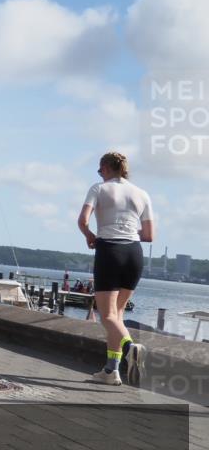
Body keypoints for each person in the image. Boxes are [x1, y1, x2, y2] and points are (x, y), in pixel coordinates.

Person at [77, 151, 154, 386]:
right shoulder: (142, 194)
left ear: (106, 168)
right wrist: (128, 231)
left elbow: (82, 220)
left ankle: (131, 348)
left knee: (107, 315)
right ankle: (111, 371)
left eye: (100, 171)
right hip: (134, 254)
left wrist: (89, 235)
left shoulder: (99, 189)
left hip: (110, 251)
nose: (99, 175)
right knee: (117, 316)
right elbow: (149, 235)